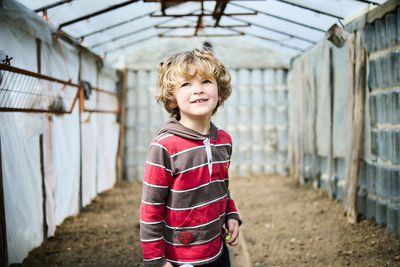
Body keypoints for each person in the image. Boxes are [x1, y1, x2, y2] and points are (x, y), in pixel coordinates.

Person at [140, 48, 242, 267]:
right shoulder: (164, 147)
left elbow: (220, 186)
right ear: (173, 99)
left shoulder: (224, 141)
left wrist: (231, 214)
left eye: (206, 81)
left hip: (217, 250)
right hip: (180, 258)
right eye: (186, 84)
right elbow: (151, 208)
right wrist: (157, 261)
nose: (198, 90)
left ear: (220, 92)